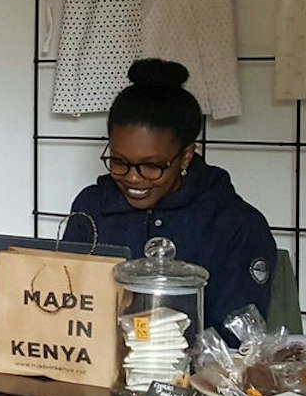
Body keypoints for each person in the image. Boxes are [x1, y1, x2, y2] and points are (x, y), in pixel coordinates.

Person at [63, 59, 277, 329]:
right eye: (119, 161)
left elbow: (238, 339)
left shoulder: (235, 223)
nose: (132, 177)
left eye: (152, 166)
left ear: (186, 156)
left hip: (196, 370)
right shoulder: (91, 207)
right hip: (96, 367)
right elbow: (66, 306)